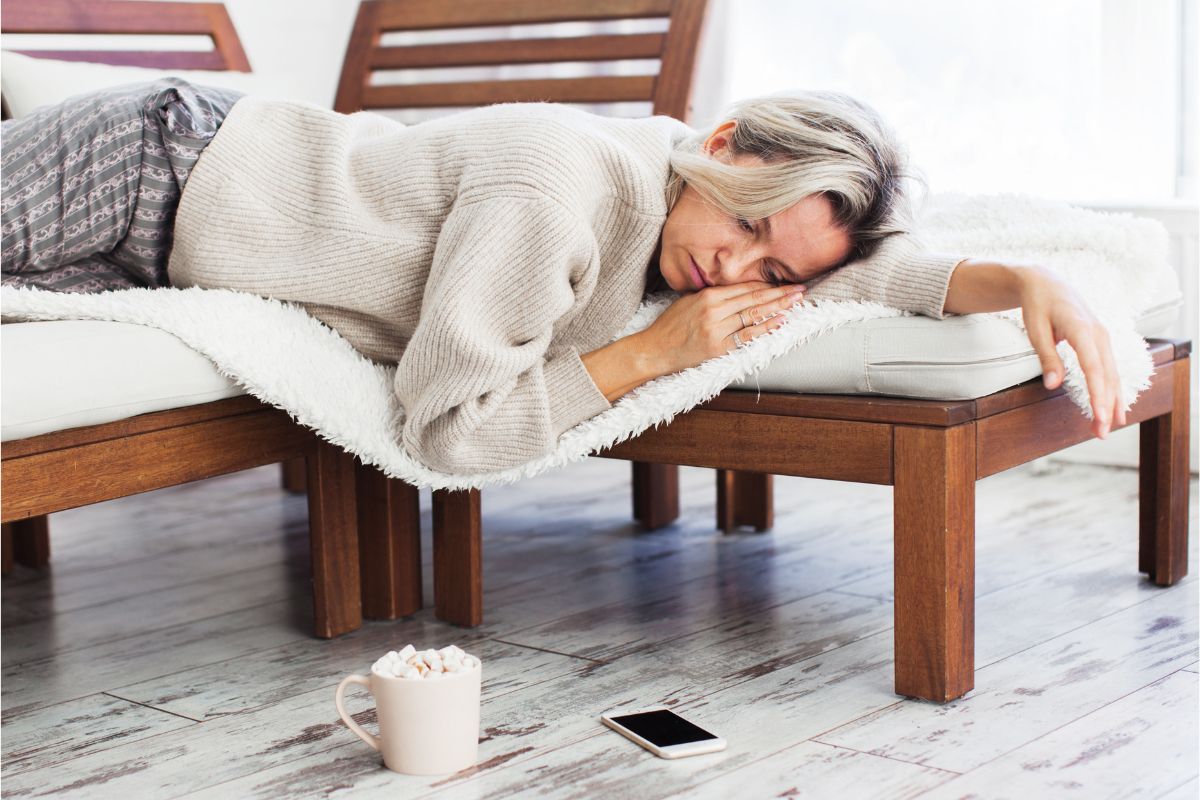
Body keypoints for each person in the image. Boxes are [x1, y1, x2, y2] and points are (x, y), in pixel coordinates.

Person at [1, 80, 1123, 474]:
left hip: (166, 247)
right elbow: (450, 431)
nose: (730, 273)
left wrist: (1029, 281)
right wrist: (649, 355)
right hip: (156, 162)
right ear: (721, 144)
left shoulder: (689, 214)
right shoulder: (558, 191)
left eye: (771, 268)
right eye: (747, 226)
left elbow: (864, 278)